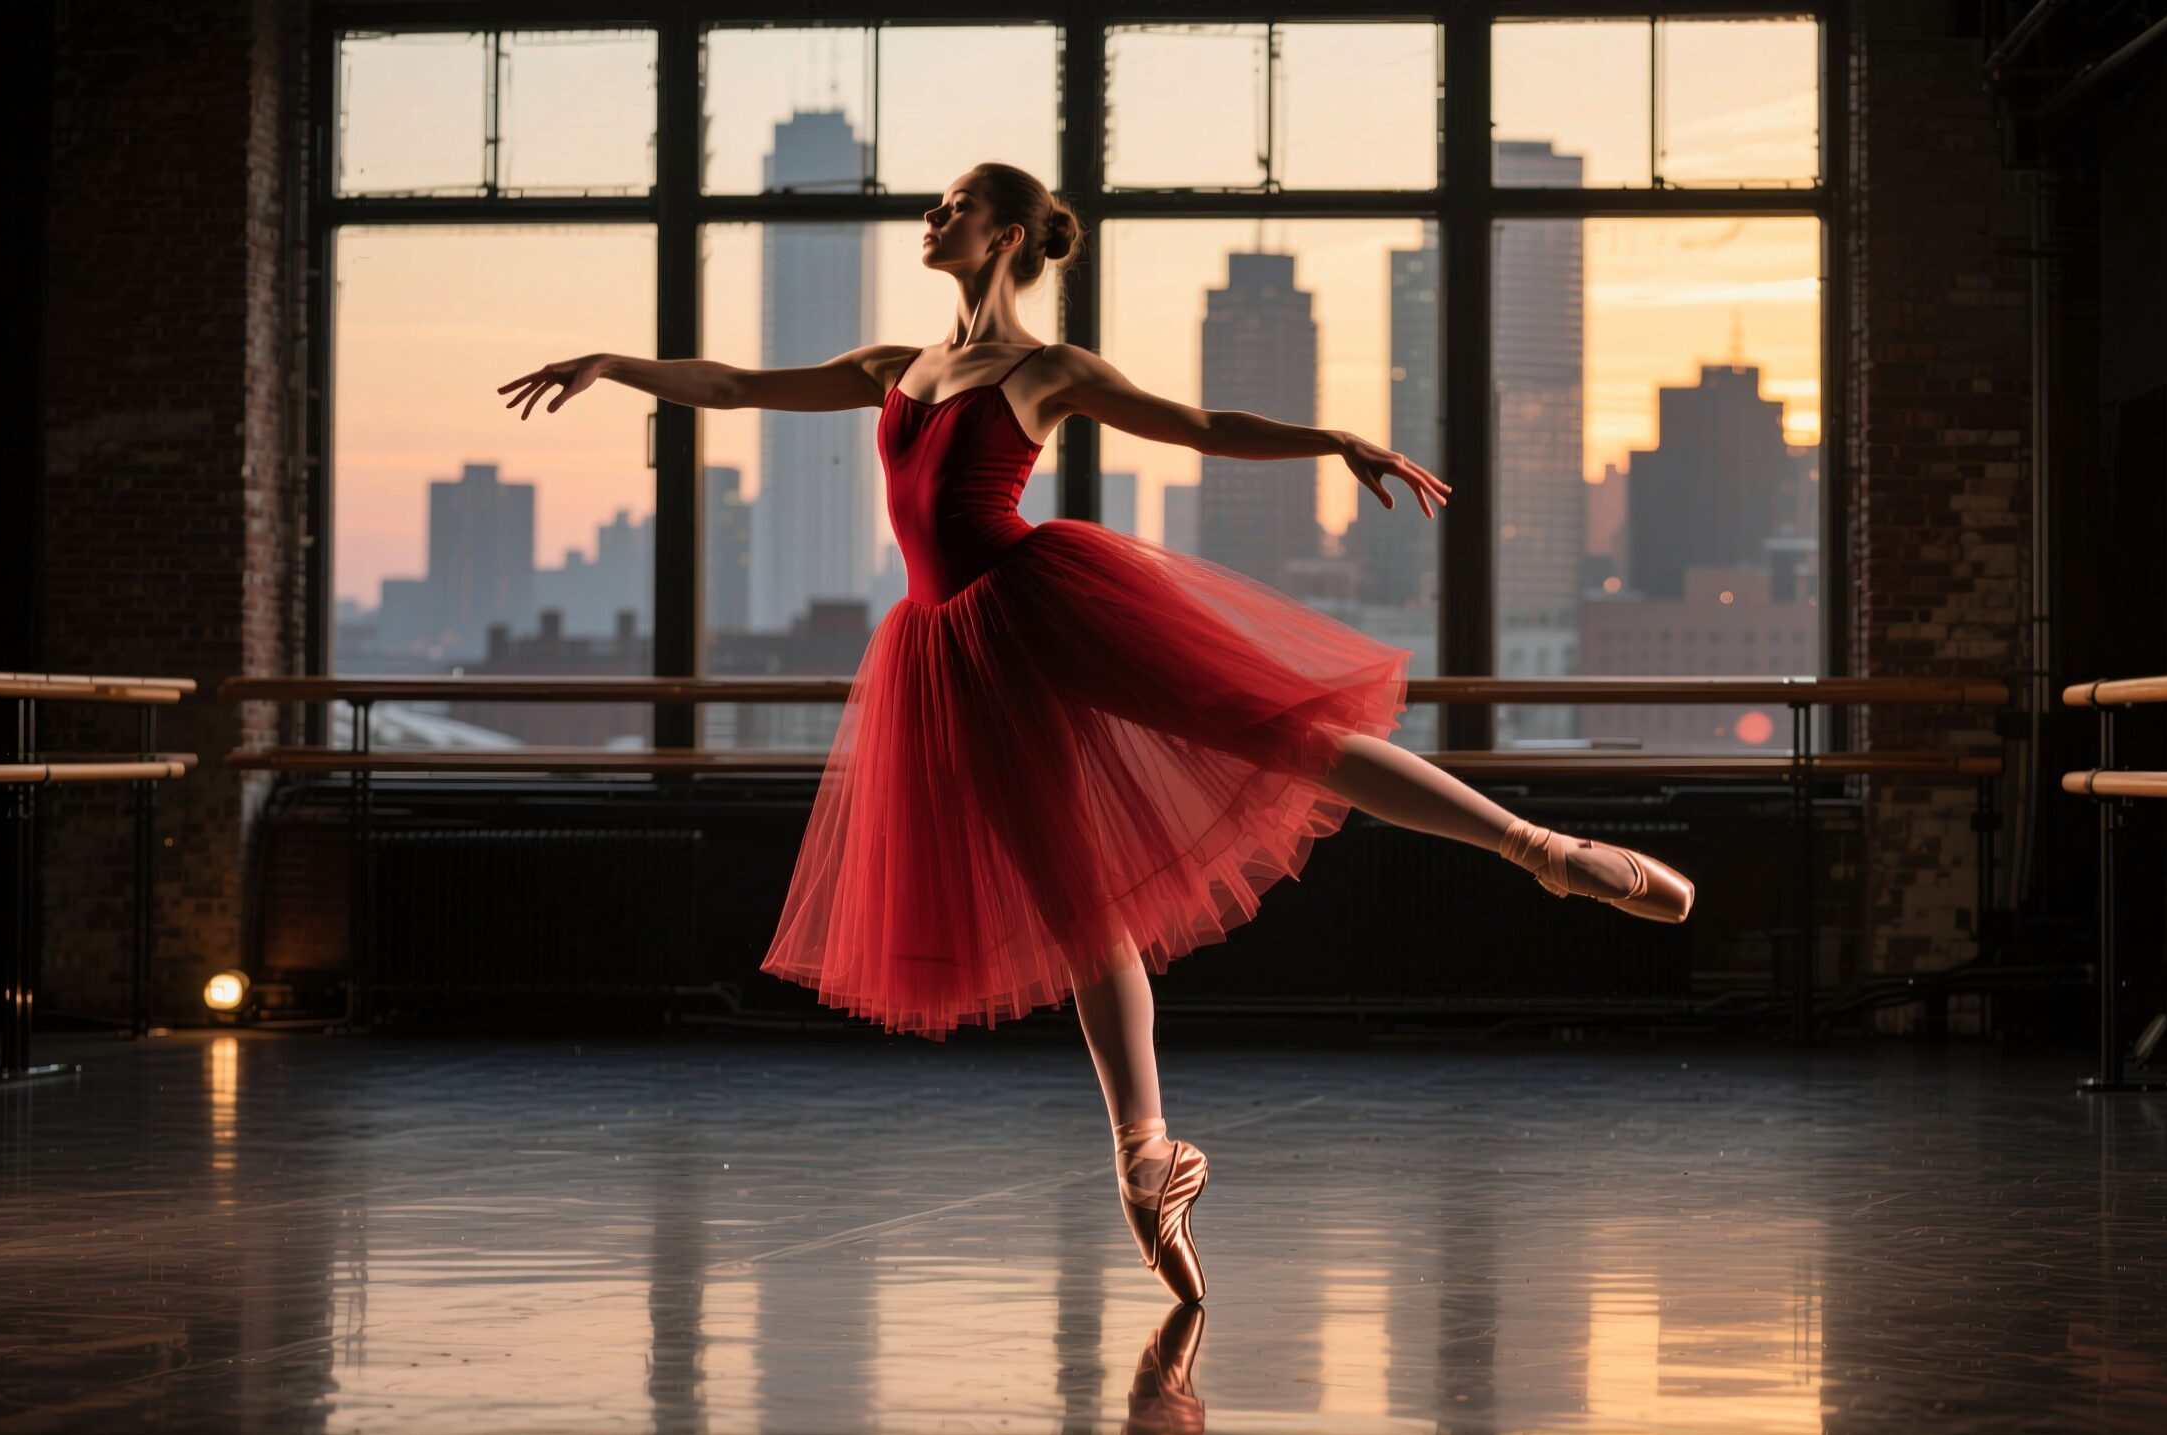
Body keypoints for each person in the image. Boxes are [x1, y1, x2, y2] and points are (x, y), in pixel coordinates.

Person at [497, 162, 1696, 1304]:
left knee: (1280, 732)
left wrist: (1330, 440)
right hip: (945, 650)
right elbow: (740, 389)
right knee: (1082, 908)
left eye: (955, 205)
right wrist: (616, 364)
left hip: (1040, 603)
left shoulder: (1043, 368)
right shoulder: (893, 366)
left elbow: (1197, 420)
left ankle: (1542, 852)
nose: (932, 214)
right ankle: (1146, 1155)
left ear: (1005, 237)